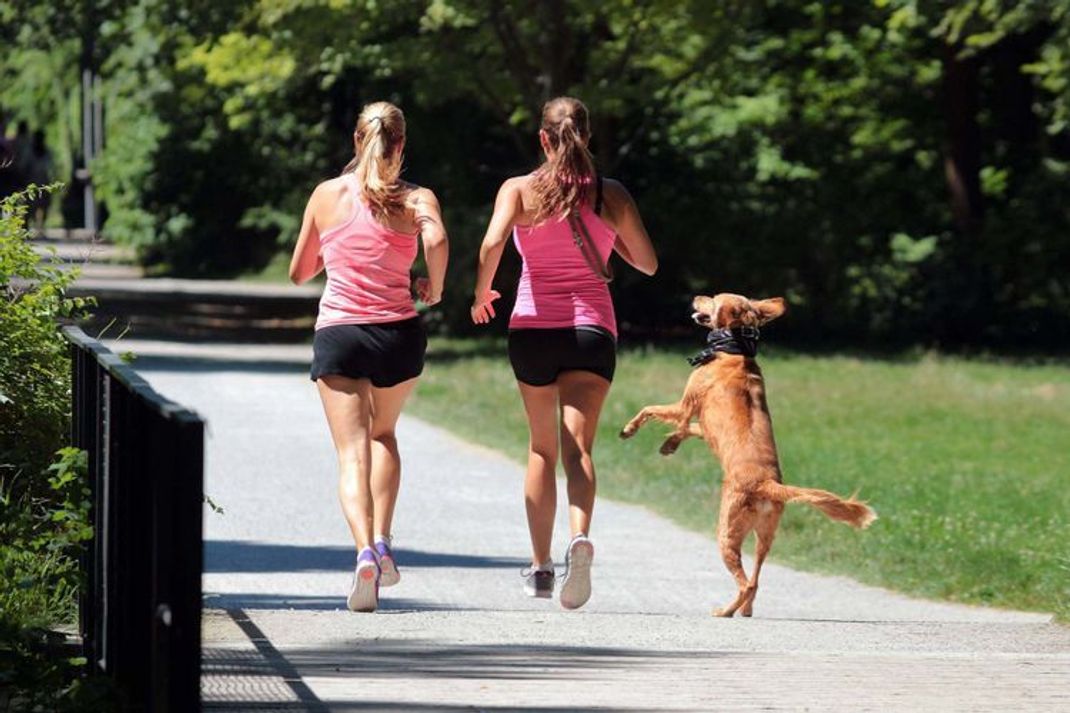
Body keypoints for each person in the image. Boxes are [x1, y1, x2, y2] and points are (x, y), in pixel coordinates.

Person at [471, 96, 658, 609]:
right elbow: (647, 264)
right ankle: (579, 537)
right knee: (579, 449)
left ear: (543, 139)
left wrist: (482, 293)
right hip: (591, 330)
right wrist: (608, 236)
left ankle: (539, 568)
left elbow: (490, 246)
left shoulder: (519, 189)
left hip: (532, 328)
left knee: (541, 450)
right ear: (588, 136)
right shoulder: (609, 193)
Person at [290, 101, 448, 612]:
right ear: (400, 146)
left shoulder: (326, 195)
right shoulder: (416, 198)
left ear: (357, 141)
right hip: (398, 334)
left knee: (351, 451)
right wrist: (435, 285)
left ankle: (362, 551)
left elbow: (299, 272)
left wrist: (333, 252)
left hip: (340, 332)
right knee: (383, 435)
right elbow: (438, 239)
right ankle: (383, 539)